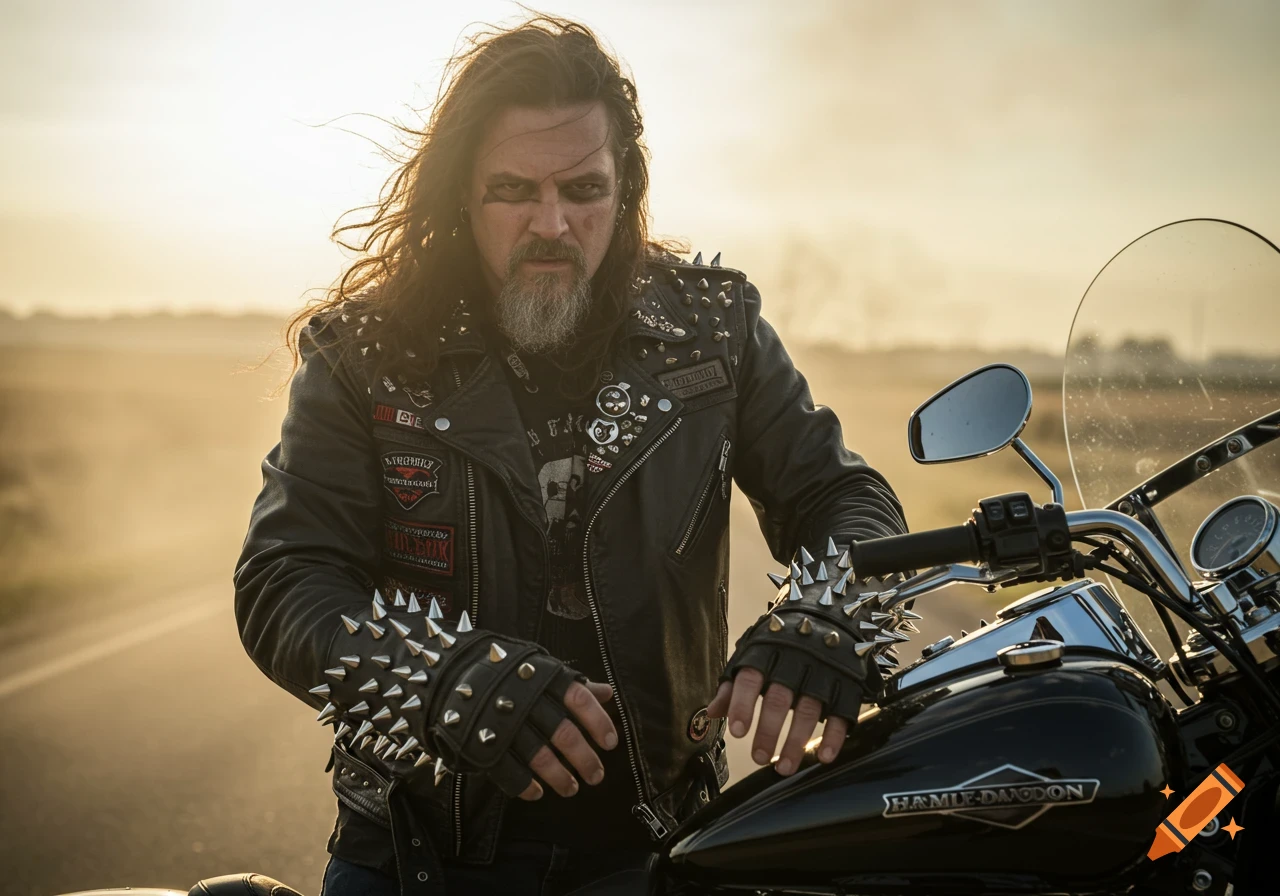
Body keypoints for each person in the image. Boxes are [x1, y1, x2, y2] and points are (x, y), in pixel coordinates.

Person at [234, 14, 907, 896]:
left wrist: (827, 612)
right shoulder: (364, 351)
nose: (552, 223)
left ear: (623, 189)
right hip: (416, 848)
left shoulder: (716, 331)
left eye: (584, 189)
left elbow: (840, 494)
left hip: (663, 842)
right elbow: (286, 577)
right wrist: (442, 677)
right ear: (462, 197)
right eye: (515, 189)